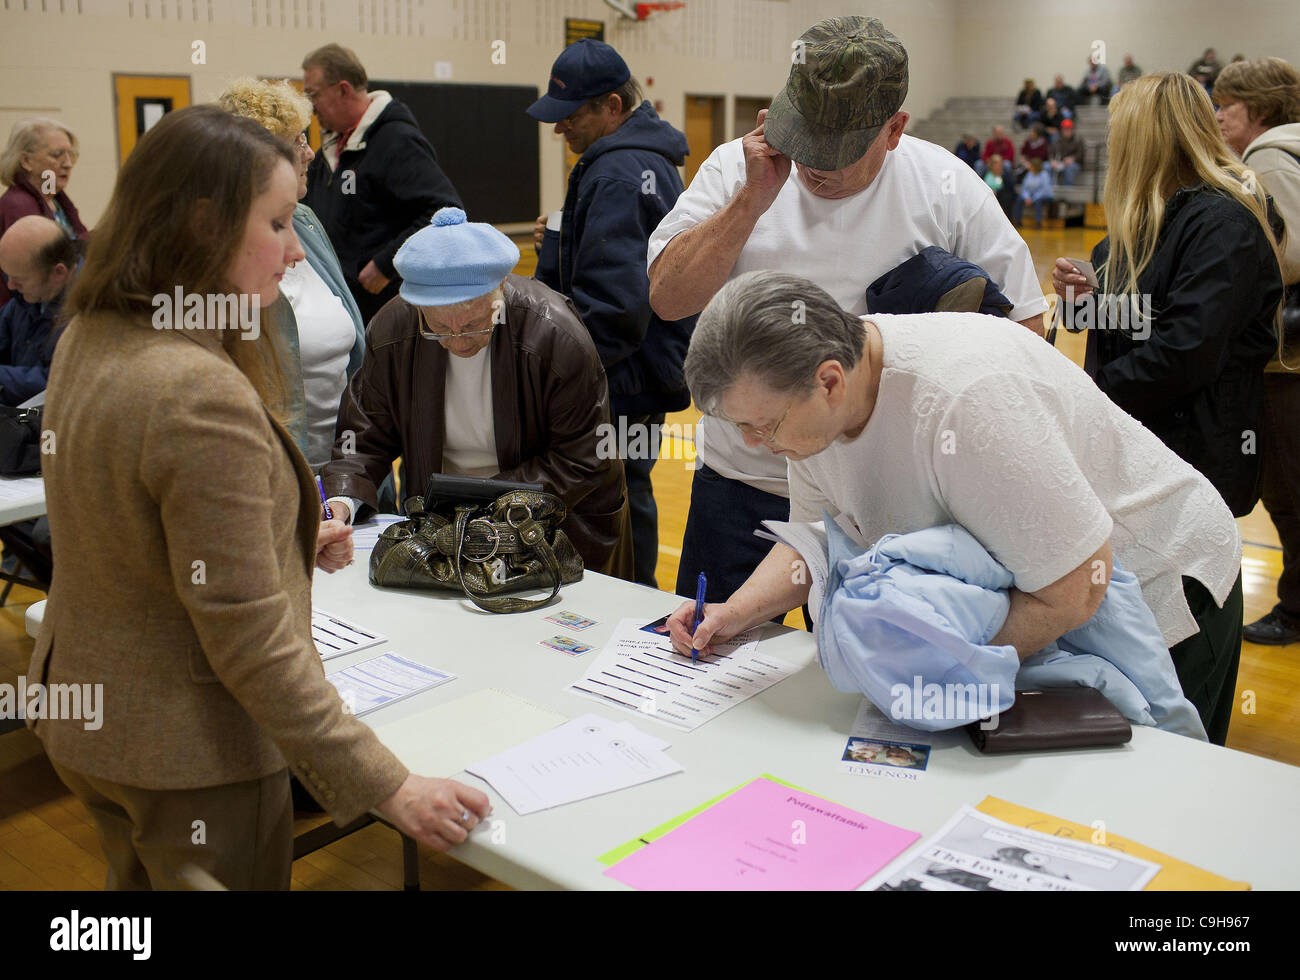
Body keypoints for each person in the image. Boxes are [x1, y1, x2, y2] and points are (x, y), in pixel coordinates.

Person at [30, 105, 490, 890]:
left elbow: (123, 518)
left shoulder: (94, 334)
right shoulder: (195, 390)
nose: (293, 247)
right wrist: (388, 785)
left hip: (88, 721)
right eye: (277, 222)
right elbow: (251, 641)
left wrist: (277, 538)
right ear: (205, 224)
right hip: (188, 752)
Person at [664, 270, 1247, 745]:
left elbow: (1077, 587)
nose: (757, 446)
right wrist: (736, 613)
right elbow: (823, 534)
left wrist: (937, 673)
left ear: (830, 381)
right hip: (1041, 590)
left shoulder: (964, 399)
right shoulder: (808, 408)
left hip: (1158, 584)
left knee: (1152, 812)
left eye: (762, 426)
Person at [647, 15, 1047, 607]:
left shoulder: (944, 186)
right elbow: (667, 297)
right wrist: (750, 203)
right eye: (806, 142)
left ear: (894, 129)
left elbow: (1026, 332)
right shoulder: (736, 168)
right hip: (741, 481)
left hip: (880, 500)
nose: (816, 167)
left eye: (838, 153)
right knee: (710, 662)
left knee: (855, 682)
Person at [322, 206, 634, 579]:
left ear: (500, 289)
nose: (458, 342)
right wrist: (339, 502)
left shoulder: (555, 334)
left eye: (472, 325)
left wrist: (474, 499)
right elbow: (363, 437)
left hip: (553, 528)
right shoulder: (393, 329)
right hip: (444, 532)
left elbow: (583, 458)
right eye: (438, 329)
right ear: (415, 306)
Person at [1054, 72, 1283, 522]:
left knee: (1191, 589)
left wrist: (1084, 397)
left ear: (1145, 142)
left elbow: (1185, 349)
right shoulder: (1140, 224)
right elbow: (1138, 319)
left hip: (1194, 455)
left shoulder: (1222, 223)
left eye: (1120, 134)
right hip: (1141, 442)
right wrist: (1081, 300)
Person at [526, 39, 696, 588]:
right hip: (638, 373)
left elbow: (619, 305)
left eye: (571, 116)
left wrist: (564, 375)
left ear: (612, 108)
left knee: (616, 495)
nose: (560, 130)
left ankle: (628, 603)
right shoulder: (631, 163)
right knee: (625, 489)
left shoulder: (619, 174)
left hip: (620, 377)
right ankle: (630, 598)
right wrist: (558, 241)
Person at [218, 77, 367, 473]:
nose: (311, 153)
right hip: (278, 478)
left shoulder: (306, 223)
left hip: (346, 479)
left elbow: (354, 357)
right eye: (299, 141)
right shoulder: (224, 257)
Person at [1213, 58, 1300, 645]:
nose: (1217, 117)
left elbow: (1287, 254)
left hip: (1288, 357)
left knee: (1289, 487)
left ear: (1260, 110)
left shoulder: (1271, 156)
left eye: (1227, 106)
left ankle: (1295, 609)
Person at [302, 43, 462, 324]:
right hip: (344, 306)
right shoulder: (329, 146)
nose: (310, 107)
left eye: (313, 95)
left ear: (343, 89)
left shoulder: (396, 140)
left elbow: (444, 211)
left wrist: (387, 263)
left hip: (386, 311)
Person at [0, 118, 87, 309]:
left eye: (70, 155)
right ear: (26, 161)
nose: (67, 164)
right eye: (57, 155)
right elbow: (33, 278)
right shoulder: (18, 206)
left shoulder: (55, 199)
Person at [0, 216, 75, 404]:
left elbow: (54, 384)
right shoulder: (27, 296)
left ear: (58, 273)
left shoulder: (88, 315)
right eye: (7, 275)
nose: (10, 285)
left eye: (19, 278)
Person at [1013, 158, 1054, 227]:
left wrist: (1033, 198)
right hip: (1031, 196)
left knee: (1038, 201)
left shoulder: (1044, 175)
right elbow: (1025, 188)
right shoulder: (1029, 174)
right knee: (1019, 199)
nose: (1030, 167)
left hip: (1045, 196)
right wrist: (1027, 197)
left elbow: (1044, 190)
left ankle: (1038, 222)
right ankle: (1018, 221)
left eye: (1031, 166)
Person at [1049, 118, 1086, 185]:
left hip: (1074, 164)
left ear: (1072, 129)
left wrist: (1072, 159)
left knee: (1070, 168)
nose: (1067, 131)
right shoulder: (1057, 140)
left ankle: (1067, 188)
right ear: (1062, 130)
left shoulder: (1078, 140)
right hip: (1060, 163)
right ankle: (1051, 187)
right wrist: (1052, 160)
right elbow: (1051, 152)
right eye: (1065, 129)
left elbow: (1081, 154)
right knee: (1046, 166)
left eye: (1069, 129)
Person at [983, 154, 1018, 219]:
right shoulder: (986, 173)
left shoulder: (1005, 174)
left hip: (1002, 196)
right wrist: (991, 191)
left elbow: (1010, 188)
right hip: (988, 195)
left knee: (1006, 197)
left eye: (999, 164)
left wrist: (997, 192)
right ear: (992, 165)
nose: (997, 166)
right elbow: (982, 185)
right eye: (995, 164)